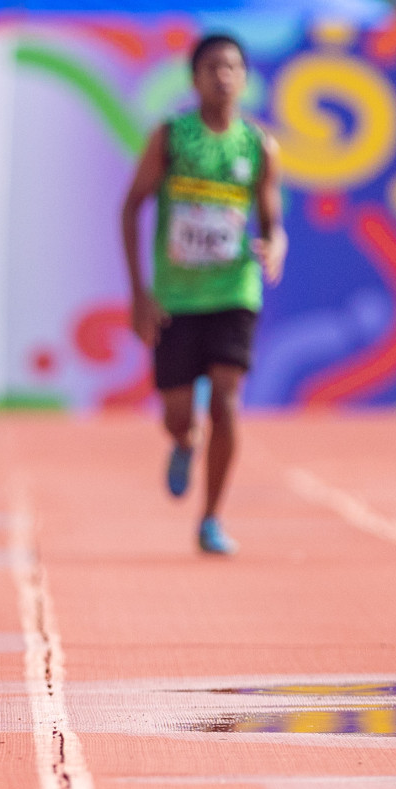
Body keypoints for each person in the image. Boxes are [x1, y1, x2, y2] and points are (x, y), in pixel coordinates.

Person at [120, 33, 286, 556]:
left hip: (235, 290)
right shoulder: (170, 137)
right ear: (194, 78)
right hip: (175, 296)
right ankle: (182, 441)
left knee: (227, 401)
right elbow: (131, 208)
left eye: (232, 66)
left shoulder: (258, 146)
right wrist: (138, 293)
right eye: (212, 67)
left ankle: (211, 516)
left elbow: (272, 219)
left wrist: (276, 247)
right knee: (177, 414)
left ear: (245, 78)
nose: (223, 75)